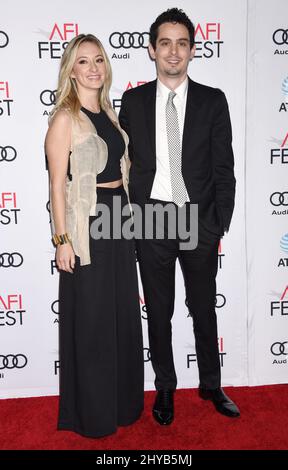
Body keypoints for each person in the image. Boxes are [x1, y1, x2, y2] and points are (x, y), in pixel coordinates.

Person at [119, 8, 240, 425]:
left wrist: (217, 223)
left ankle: (211, 383)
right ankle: (165, 388)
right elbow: (125, 166)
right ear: (152, 49)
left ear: (192, 50)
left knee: (203, 307)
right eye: (165, 43)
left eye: (182, 43)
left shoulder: (213, 100)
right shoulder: (133, 102)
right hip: (152, 221)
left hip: (198, 219)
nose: (174, 52)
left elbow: (224, 168)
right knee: (159, 311)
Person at [45, 33, 144, 438]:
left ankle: (122, 404)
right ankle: (91, 413)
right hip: (86, 222)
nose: (93, 68)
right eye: (83, 61)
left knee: (120, 313)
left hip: (118, 217)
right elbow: (55, 186)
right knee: (91, 318)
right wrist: (61, 240)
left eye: (99, 60)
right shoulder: (64, 119)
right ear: (71, 70)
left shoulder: (111, 115)